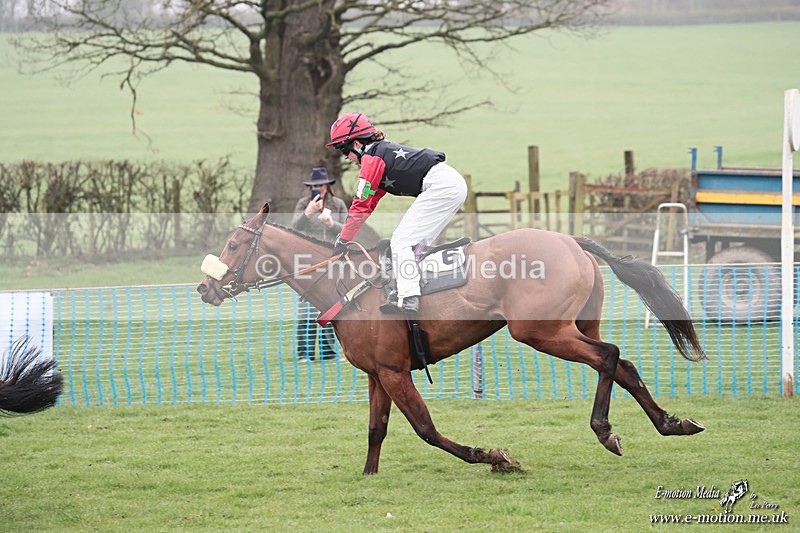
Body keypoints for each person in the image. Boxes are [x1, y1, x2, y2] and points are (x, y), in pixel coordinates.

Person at [326, 112, 467, 314]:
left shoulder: (371, 159)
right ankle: (423, 289)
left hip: (442, 186)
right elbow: (369, 202)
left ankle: (408, 298)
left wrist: (343, 240)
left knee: (401, 241)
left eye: (343, 149)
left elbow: (361, 204)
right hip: (449, 184)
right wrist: (346, 238)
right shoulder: (379, 155)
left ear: (356, 144)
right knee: (417, 245)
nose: (345, 157)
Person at [291, 167, 348, 362]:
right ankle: (305, 353)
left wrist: (331, 224)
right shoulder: (303, 204)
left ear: (327, 186)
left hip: (332, 261)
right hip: (307, 262)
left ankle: (329, 352)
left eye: (320, 185)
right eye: (314, 186)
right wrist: (307, 213)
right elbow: (293, 228)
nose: (318, 189)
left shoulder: (338, 204)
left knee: (330, 306)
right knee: (307, 308)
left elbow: (348, 229)